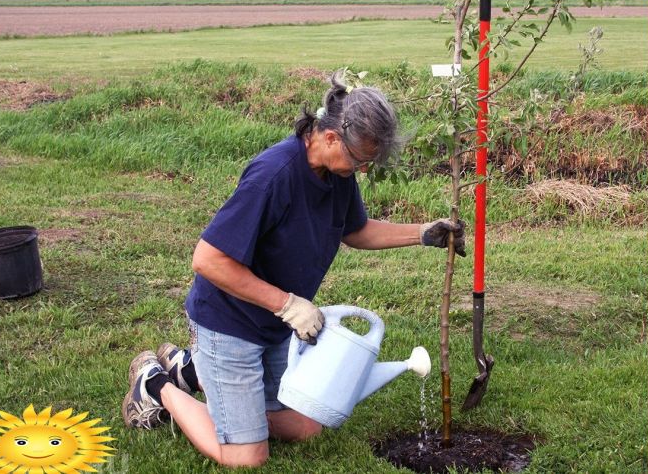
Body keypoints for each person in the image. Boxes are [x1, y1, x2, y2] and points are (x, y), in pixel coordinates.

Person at [122, 69, 466, 467]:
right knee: (247, 456)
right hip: (229, 322)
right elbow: (208, 260)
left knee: (306, 425)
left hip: (273, 328)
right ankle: (156, 384)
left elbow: (355, 231)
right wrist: (288, 306)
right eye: (360, 159)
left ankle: (193, 371)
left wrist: (423, 233)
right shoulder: (273, 176)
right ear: (331, 136)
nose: (364, 170)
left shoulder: (337, 174)